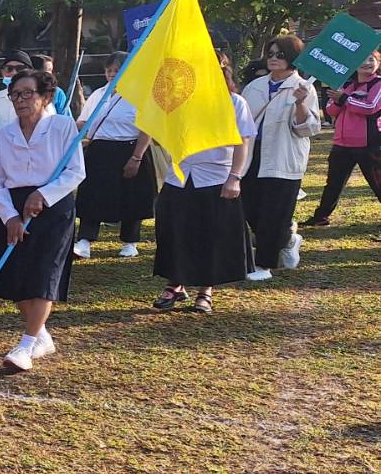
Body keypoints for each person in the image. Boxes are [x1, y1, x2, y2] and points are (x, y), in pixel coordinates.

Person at [0, 69, 86, 372]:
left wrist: (44, 194)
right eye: (15, 94)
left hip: (53, 209)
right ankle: (40, 334)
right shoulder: (4, 134)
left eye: (28, 93)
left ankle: (26, 345)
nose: (21, 100)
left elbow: (76, 172)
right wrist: (10, 216)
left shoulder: (63, 127)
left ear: (46, 97)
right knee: (17, 276)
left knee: (43, 273)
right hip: (11, 208)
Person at [146, 85, 257, 314]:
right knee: (174, 232)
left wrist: (235, 177)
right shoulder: (180, 100)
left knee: (210, 235)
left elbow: (242, 142)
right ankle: (175, 283)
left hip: (215, 177)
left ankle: (205, 289)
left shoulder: (234, 102)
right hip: (179, 176)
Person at [238, 35, 319, 280]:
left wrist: (301, 104)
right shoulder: (255, 86)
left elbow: (308, 129)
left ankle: (264, 265)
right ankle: (289, 238)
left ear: (292, 58)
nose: (273, 59)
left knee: (274, 213)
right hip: (253, 156)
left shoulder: (304, 88)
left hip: (283, 157)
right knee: (250, 209)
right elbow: (241, 121)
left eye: (280, 55)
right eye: (270, 54)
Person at [73, 54, 157, 259]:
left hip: (129, 149)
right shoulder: (98, 95)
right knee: (92, 195)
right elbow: (83, 122)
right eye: (109, 70)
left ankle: (130, 241)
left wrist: (136, 157)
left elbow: (147, 129)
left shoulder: (139, 96)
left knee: (131, 196)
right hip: (100, 150)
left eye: (117, 70)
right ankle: (85, 240)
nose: (112, 74)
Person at [304, 48, 381, 227]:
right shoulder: (346, 85)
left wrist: (344, 99)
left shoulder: (377, 84)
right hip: (342, 144)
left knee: (378, 184)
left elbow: (370, 107)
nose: (367, 63)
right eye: (362, 59)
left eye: (371, 59)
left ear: (378, 63)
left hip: (369, 144)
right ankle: (320, 218)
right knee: (333, 184)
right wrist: (340, 99)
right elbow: (331, 110)